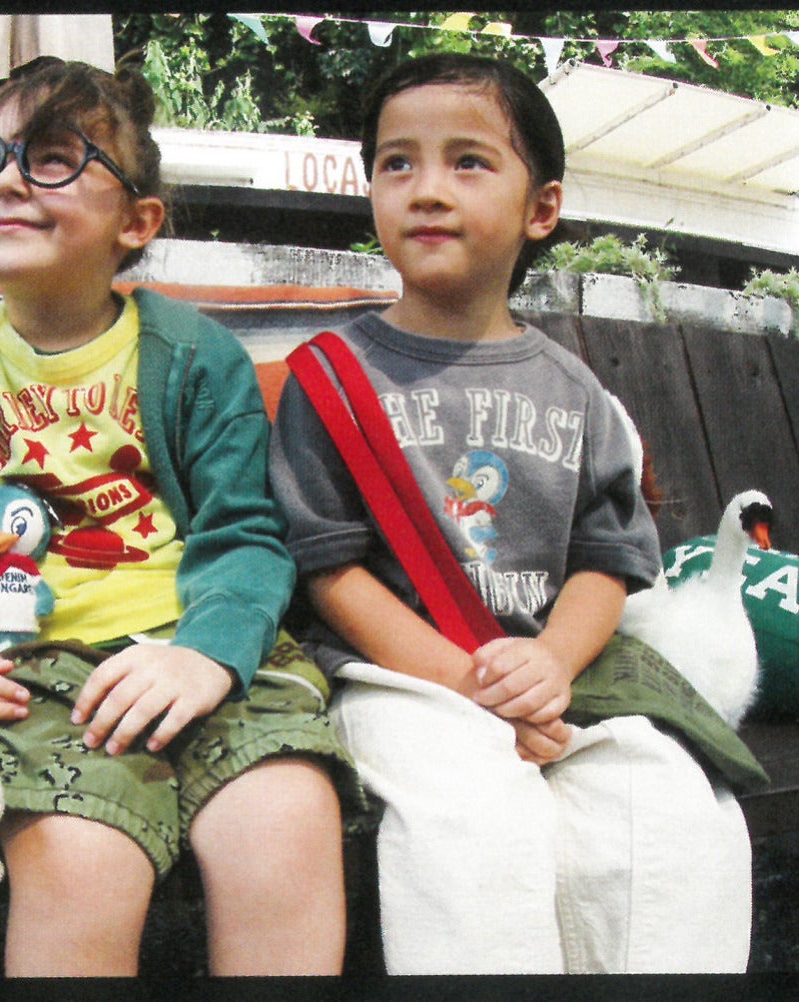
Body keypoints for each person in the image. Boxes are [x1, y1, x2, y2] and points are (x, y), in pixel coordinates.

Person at [0, 58, 356, 977]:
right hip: (26, 678)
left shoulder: (196, 358)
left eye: (50, 158)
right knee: (80, 865)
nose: (3, 179)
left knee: (284, 824)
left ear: (137, 221)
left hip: (200, 649)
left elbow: (245, 534)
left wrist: (206, 655)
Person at [270, 52, 752, 974]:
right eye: (397, 163)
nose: (426, 189)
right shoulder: (331, 380)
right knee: (469, 818)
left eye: (469, 161)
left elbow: (608, 559)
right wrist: (472, 688)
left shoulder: (577, 391)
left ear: (542, 207)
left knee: (669, 811)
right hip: (397, 678)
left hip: (555, 668)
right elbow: (328, 569)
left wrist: (551, 662)